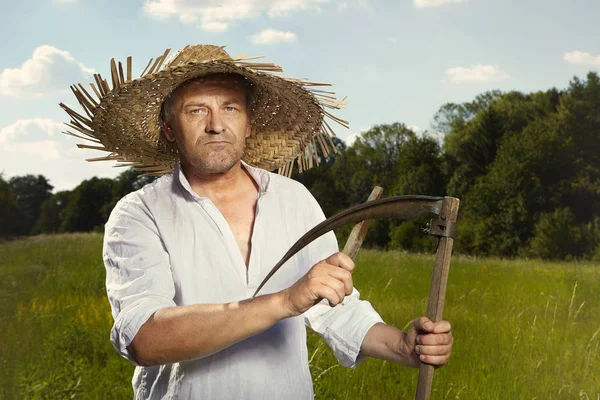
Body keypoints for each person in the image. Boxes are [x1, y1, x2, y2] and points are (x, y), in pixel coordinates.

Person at [61, 44, 453, 399]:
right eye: (196, 110)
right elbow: (144, 338)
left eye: (230, 107)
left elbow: (336, 307)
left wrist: (402, 345)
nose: (216, 124)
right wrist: (284, 301)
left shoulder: (293, 199)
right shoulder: (139, 213)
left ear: (248, 123)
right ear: (169, 129)